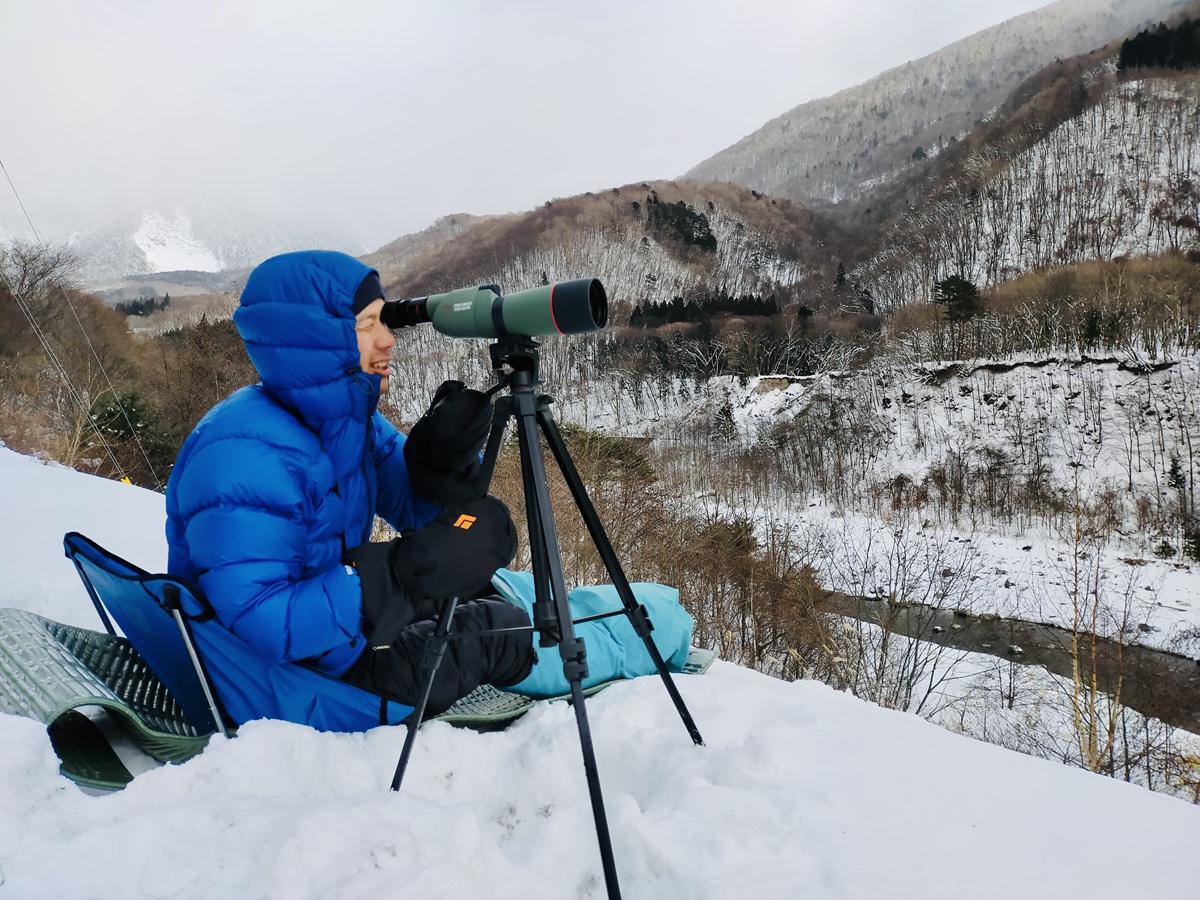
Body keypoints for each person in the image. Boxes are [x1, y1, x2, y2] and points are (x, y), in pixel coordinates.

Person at [165, 249, 535, 720]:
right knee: (504, 629)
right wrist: (395, 576)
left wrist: (444, 461)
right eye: (367, 325)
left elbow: (416, 509)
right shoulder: (244, 457)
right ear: (318, 342)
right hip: (287, 679)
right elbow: (261, 620)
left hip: (327, 633)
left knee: (480, 589)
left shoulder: (341, 418)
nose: (387, 341)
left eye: (383, 322)